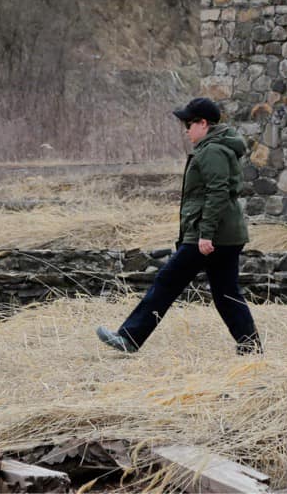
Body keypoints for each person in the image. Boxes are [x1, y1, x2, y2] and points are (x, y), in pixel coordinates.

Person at [96, 97, 262, 355]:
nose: (186, 130)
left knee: (167, 281)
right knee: (226, 293)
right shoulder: (215, 147)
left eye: (188, 124)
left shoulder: (212, 150)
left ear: (203, 123)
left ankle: (129, 338)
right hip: (224, 235)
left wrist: (206, 234)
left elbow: (217, 193)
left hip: (210, 236)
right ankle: (250, 346)